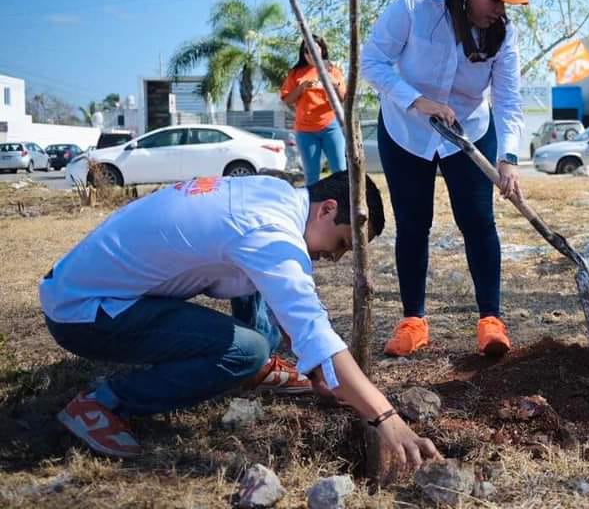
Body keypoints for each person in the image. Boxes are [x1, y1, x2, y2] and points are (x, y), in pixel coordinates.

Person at [41, 172, 439, 470]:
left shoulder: (274, 193)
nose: (335, 258)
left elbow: (279, 294)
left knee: (257, 324)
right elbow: (312, 327)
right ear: (328, 209)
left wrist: (315, 365)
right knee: (245, 349)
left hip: (84, 287)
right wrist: (386, 417)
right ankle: (102, 404)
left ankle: (258, 367)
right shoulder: (271, 233)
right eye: (340, 244)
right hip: (86, 312)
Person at [361, 0, 527, 358]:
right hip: (406, 131)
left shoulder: (503, 33)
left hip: (470, 131)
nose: (500, 10)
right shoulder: (414, 6)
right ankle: (413, 321)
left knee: (478, 221)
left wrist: (509, 158)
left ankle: (491, 320)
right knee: (413, 224)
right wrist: (417, 100)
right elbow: (372, 62)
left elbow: (508, 100)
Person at [280, 36, 348, 186]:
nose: (311, 54)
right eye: (307, 51)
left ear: (322, 50)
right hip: (305, 131)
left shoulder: (332, 70)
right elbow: (286, 100)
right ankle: (314, 206)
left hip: (331, 127)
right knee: (311, 176)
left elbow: (344, 98)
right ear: (303, 53)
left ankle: (344, 206)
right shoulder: (295, 73)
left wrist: (335, 83)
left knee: (340, 172)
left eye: (315, 49)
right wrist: (301, 88)